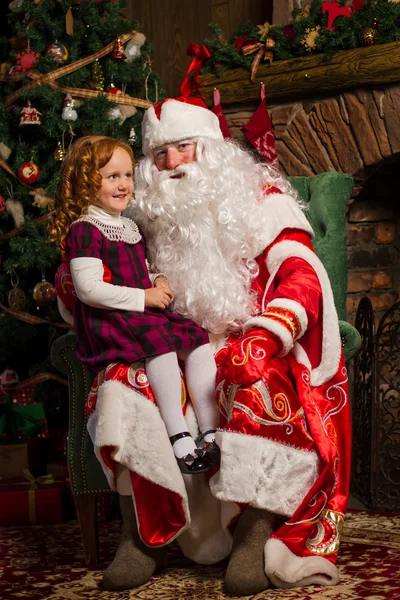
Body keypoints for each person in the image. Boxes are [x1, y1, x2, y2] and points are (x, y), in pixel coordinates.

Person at [63, 100, 351, 595]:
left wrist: (266, 334)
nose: (173, 164)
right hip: (165, 340)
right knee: (118, 384)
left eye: (183, 147)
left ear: (213, 151)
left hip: (249, 336)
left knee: (259, 385)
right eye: (160, 155)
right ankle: (141, 539)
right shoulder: (134, 218)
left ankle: (252, 541)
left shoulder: (261, 202)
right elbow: (99, 281)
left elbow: (300, 275)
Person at [49, 135, 220, 476]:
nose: (124, 184)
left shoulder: (128, 225)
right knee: (160, 343)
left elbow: (139, 270)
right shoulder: (85, 229)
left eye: (128, 176)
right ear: (87, 183)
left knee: (198, 340)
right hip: (109, 319)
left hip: (140, 311)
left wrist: (156, 280)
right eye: (113, 177)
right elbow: (88, 289)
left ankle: (212, 431)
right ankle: (180, 438)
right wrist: (145, 298)